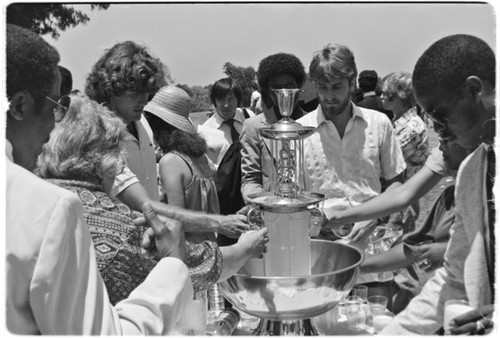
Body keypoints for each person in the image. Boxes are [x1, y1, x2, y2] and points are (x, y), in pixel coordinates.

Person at [5, 23, 192, 335]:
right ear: (21, 105)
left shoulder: (142, 128)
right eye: (55, 107)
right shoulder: (49, 207)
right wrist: (175, 265)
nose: (55, 128)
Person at [35, 92, 269, 303]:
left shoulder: (29, 202)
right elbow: (183, 251)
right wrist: (245, 247)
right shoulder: (123, 228)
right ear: (106, 161)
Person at [381, 34, 495, 335]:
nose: (437, 131)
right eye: (430, 119)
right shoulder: (473, 170)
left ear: (474, 90)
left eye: (440, 116)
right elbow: (454, 279)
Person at [85, 42, 250, 239]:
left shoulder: (142, 124)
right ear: (111, 88)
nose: (143, 99)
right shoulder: (98, 135)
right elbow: (145, 204)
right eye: (134, 92)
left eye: (146, 91)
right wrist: (219, 222)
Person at [298, 43, 407, 308]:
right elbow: (292, 198)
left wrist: (374, 217)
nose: (329, 96)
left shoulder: (379, 124)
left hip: (372, 248)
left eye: (336, 87)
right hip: (320, 253)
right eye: (322, 88)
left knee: (375, 324)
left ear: (352, 82)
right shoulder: (299, 132)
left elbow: (397, 185)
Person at [360, 141, 470, 314]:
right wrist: (356, 267)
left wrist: (449, 250)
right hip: (447, 304)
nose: (438, 148)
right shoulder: (449, 197)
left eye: (447, 136)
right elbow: (414, 250)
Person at [240, 52, 307, 197]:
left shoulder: (313, 124)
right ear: (268, 92)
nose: (285, 93)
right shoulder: (254, 126)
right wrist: (264, 203)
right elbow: (250, 179)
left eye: (289, 86)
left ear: (299, 86)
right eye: (277, 88)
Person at [380, 71, 429, 181]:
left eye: (385, 93)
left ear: (398, 95)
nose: (381, 96)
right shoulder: (398, 121)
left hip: (405, 191)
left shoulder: (411, 127)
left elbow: (387, 160)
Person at [198, 77, 252, 167]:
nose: (226, 105)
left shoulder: (249, 117)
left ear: (238, 100)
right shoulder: (205, 131)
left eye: (231, 99)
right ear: (214, 101)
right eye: (221, 100)